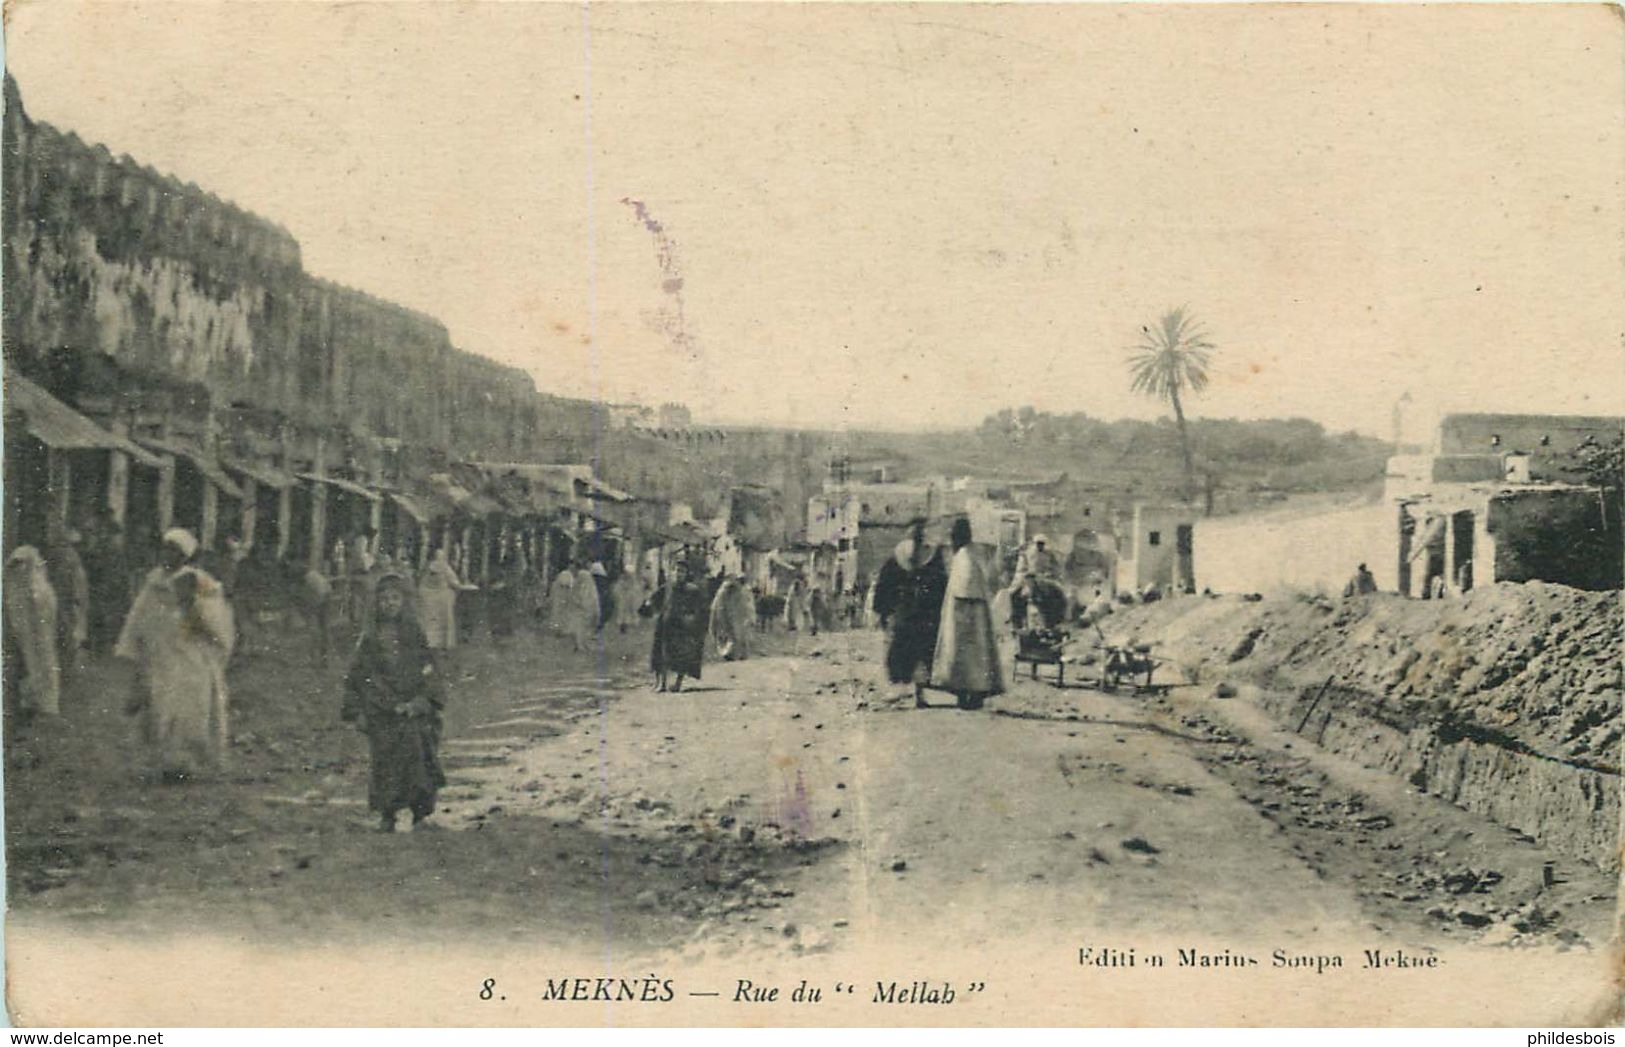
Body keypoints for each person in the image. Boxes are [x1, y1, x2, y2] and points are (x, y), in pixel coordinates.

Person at [115, 529, 235, 782]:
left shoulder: (199, 582)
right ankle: (163, 763)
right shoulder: (154, 581)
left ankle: (187, 764)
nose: (167, 554)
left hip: (189, 656)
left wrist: (191, 605)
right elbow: (139, 616)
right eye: (165, 548)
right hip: (160, 654)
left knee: (188, 708)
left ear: (184, 556)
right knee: (159, 706)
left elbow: (213, 622)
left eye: (174, 550)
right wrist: (135, 646)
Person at [342, 571, 447, 832]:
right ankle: (387, 815)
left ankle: (420, 815)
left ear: (404, 601)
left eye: (395, 598)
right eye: (384, 599)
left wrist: (421, 702)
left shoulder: (415, 633)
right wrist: (357, 711)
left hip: (413, 708)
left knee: (419, 759)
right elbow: (357, 675)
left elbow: (430, 670)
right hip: (382, 709)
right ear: (376, 603)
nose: (389, 603)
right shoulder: (369, 638)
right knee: (385, 763)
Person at [871, 517, 948, 708]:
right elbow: (886, 584)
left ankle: (912, 693)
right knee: (916, 653)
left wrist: (882, 610)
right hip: (916, 614)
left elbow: (884, 585)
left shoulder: (906, 556)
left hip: (912, 613)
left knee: (913, 652)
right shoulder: (928, 556)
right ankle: (915, 693)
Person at [931, 517, 1005, 710]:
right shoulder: (972, 553)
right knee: (975, 659)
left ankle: (967, 696)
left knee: (965, 658)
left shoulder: (964, 555)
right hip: (974, 614)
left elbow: (964, 587)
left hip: (964, 615)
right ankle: (971, 695)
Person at [4, 546, 61, 722]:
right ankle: (30, 702)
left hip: (37, 631)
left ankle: (43, 704)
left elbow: (44, 610)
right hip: (24, 630)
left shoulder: (38, 586)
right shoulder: (16, 584)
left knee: (41, 662)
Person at [644, 560, 708, 692]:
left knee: (681, 654)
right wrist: (650, 604)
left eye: (682, 571)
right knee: (661, 653)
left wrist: (692, 619)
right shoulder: (667, 587)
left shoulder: (692, 590)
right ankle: (661, 683)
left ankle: (678, 683)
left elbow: (700, 608)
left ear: (686, 574)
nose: (678, 574)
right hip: (665, 624)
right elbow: (653, 599)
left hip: (682, 626)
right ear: (672, 572)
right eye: (676, 570)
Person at [45, 529, 89, 679]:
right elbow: (73, 585)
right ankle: (65, 670)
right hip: (67, 603)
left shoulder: (69, 560)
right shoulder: (70, 561)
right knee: (67, 636)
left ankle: (66, 669)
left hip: (67, 602)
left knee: (67, 636)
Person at [418, 546, 471, 651]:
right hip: (442, 600)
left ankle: (429, 642)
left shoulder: (427, 566)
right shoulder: (445, 567)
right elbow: (454, 582)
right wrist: (461, 586)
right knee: (443, 622)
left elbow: (421, 583)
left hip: (428, 599)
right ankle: (442, 643)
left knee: (430, 622)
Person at [709, 573, 754, 661]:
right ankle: (731, 654)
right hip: (727, 618)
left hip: (736, 619)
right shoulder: (724, 592)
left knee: (738, 637)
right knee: (731, 636)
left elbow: (748, 607)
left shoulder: (743, 591)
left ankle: (737, 654)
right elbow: (716, 607)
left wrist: (750, 618)